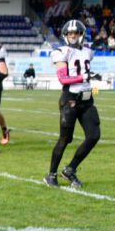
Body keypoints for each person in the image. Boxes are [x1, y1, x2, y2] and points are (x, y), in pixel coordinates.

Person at [45, 20, 100, 188]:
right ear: (65, 36)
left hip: (87, 99)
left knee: (93, 136)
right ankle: (51, 174)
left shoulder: (88, 52)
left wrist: (94, 86)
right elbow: (63, 78)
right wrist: (84, 78)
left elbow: (88, 75)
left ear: (81, 35)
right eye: (70, 33)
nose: (73, 36)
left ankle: (70, 169)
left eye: (75, 33)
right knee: (65, 139)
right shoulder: (61, 52)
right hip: (70, 99)